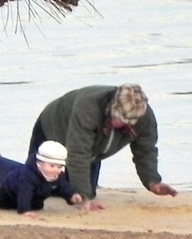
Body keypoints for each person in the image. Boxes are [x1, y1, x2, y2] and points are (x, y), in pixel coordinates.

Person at [27, 84, 178, 210]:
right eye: (120, 117)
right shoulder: (88, 106)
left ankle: (60, 185)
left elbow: (145, 150)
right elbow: (79, 153)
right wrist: (84, 199)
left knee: (80, 191)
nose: (123, 123)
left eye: (130, 121)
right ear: (113, 104)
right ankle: (1, 164)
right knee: (33, 185)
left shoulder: (144, 117)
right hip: (54, 126)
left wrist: (153, 182)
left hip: (93, 149)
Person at [0, 140, 85, 218]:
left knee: (37, 205)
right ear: (39, 163)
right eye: (52, 166)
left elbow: (62, 186)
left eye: (59, 167)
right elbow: (25, 192)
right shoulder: (28, 176)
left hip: (35, 195)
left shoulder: (57, 175)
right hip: (9, 190)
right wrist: (24, 210)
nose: (56, 170)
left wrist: (72, 195)